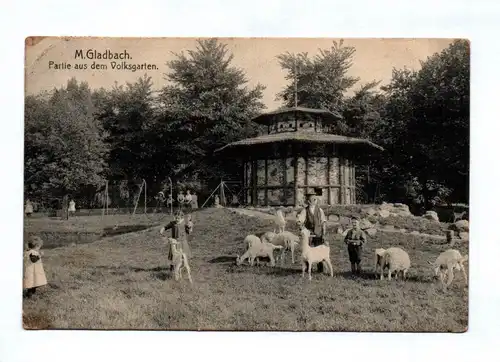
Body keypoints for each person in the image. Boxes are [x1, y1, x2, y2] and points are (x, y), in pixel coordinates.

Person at [297, 191, 327, 272]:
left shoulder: (320, 210)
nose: (313, 201)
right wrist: (303, 229)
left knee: (319, 250)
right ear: (308, 201)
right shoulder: (305, 211)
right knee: (308, 250)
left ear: (316, 200)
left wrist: (324, 233)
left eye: (314, 199)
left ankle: (320, 269)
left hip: (318, 233)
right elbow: (300, 221)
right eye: (310, 200)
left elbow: (323, 221)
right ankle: (307, 268)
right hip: (309, 234)